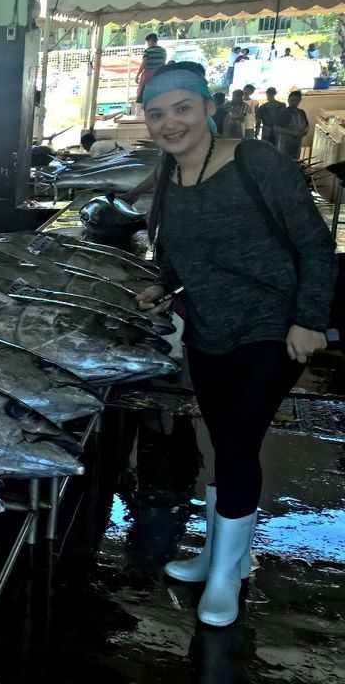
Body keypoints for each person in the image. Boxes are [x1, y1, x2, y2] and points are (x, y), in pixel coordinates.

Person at [135, 62, 335, 628]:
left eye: (182, 109)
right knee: (224, 438)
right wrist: (162, 283)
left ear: (207, 109)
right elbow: (178, 251)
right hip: (209, 328)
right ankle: (227, 554)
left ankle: (225, 573)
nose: (170, 123)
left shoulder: (256, 163)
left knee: (240, 444)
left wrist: (309, 319)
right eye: (157, 114)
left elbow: (314, 245)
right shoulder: (170, 176)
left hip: (271, 330)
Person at [271, 90, 308, 159]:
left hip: (297, 144)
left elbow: (307, 125)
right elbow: (276, 128)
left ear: (300, 100)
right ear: (288, 100)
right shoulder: (284, 113)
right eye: (292, 100)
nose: (294, 102)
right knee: (285, 163)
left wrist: (305, 131)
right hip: (285, 146)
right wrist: (293, 133)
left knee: (296, 162)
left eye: (296, 100)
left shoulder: (301, 112)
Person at [135, 33, 168, 105]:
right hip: (160, 74)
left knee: (142, 92)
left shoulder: (147, 51)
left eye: (147, 42)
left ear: (150, 41)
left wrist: (137, 75)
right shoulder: (163, 50)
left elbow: (143, 64)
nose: (147, 44)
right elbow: (163, 62)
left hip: (148, 75)